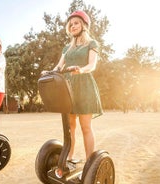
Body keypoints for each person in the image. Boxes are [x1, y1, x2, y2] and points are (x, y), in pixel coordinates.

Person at [42, 10, 103, 161]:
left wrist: (80, 70)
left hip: (84, 86)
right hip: (68, 88)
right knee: (70, 128)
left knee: (85, 127)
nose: (73, 26)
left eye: (76, 23)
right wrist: (49, 72)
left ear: (84, 25)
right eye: (71, 24)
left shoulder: (91, 44)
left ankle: (90, 162)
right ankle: (69, 157)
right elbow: (58, 67)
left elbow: (92, 65)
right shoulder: (67, 48)